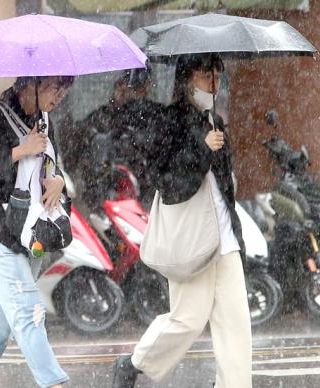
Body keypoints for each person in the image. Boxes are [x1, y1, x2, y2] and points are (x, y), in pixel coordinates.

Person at [111, 54, 251, 388]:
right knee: (188, 319)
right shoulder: (168, 120)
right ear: (187, 78)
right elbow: (168, 184)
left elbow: (224, 189)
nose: (213, 82)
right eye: (206, 75)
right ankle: (133, 363)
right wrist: (202, 150)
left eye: (217, 74)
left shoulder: (215, 121)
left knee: (236, 324)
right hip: (193, 235)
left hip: (224, 237)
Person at [0, 75, 74, 388]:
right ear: (30, 84)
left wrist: (58, 181)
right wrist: (19, 151)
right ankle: (54, 383)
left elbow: (51, 167)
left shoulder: (46, 120)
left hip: (31, 234)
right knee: (28, 311)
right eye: (55, 87)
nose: (60, 96)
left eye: (66, 89)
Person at [80, 67, 165, 209]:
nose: (130, 91)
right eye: (125, 83)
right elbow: (87, 148)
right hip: (108, 196)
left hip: (145, 196)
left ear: (147, 85)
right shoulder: (104, 116)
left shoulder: (156, 115)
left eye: (137, 86)